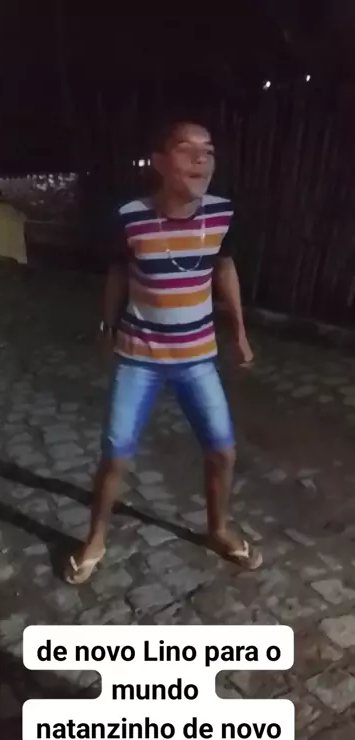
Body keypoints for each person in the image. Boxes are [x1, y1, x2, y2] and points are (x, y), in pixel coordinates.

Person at [65, 119, 262, 584]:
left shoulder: (223, 214)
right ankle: (95, 538)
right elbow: (118, 273)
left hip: (198, 359)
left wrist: (239, 331)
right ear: (158, 162)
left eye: (208, 151)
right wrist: (107, 325)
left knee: (223, 452)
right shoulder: (130, 217)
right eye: (186, 149)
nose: (201, 158)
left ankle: (217, 529)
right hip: (139, 358)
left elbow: (224, 269)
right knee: (115, 455)